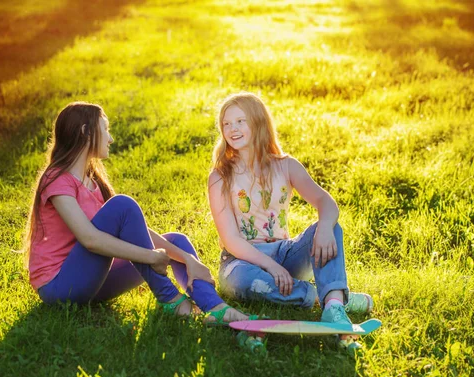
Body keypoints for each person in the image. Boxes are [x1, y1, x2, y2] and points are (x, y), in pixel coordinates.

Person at [24, 101, 254, 325]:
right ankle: (173, 301)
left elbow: (136, 232)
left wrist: (188, 259)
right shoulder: (57, 179)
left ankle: (215, 308)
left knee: (176, 241)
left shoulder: (92, 181)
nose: (111, 138)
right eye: (106, 129)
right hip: (60, 286)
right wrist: (151, 257)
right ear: (86, 132)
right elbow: (90, 240)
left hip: (92, 281)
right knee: (123, 205)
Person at [208, 92, 372, 333]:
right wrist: (271, 267)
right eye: (226, 123)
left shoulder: (286, 165)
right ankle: (330, 296)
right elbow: (231, 240)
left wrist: (325, 228)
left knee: (331, 227)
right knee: (243, 282)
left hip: (285, 254)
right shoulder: (220, 177)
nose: (232, 129)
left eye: (240, 121)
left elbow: (325, 201)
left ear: (258, 121)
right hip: (241, 262)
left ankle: (333, 308)